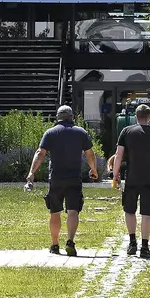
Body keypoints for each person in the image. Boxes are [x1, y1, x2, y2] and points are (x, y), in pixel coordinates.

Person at [26, 104, 98, 256]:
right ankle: (70, 241)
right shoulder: (80, 132)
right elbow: (89, 153)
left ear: (57, 118)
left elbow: (40, 153)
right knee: (73, 211)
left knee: (55, 212)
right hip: (74, 178)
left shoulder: (50, 133)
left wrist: (32, 173)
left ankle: (54, 245)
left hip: (56, 178)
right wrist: (93, 169)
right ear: (72, 117)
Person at [112, 104, 150, 258]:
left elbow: (118, 154)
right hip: (149, 178)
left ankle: (132, 242)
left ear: (136, 116)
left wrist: (115, 174)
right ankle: (145, 246)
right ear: (149, 118)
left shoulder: (126, 131)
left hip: (132, 177)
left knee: (129, 210)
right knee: (147, 214)